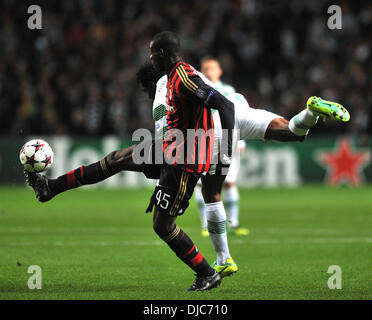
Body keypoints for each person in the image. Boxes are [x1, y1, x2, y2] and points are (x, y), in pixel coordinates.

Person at [195, 56, 249, 237]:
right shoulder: (197, 89)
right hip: (204, 140)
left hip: (228, 140)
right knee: (202, 183)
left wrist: (241, 141)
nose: (209, 71)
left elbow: (238, 114)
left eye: (213, 68)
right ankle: (205, 225)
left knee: (229, 183)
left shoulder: (228, 90)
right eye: (206, 68)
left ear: (219, 71)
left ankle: (234, 223)